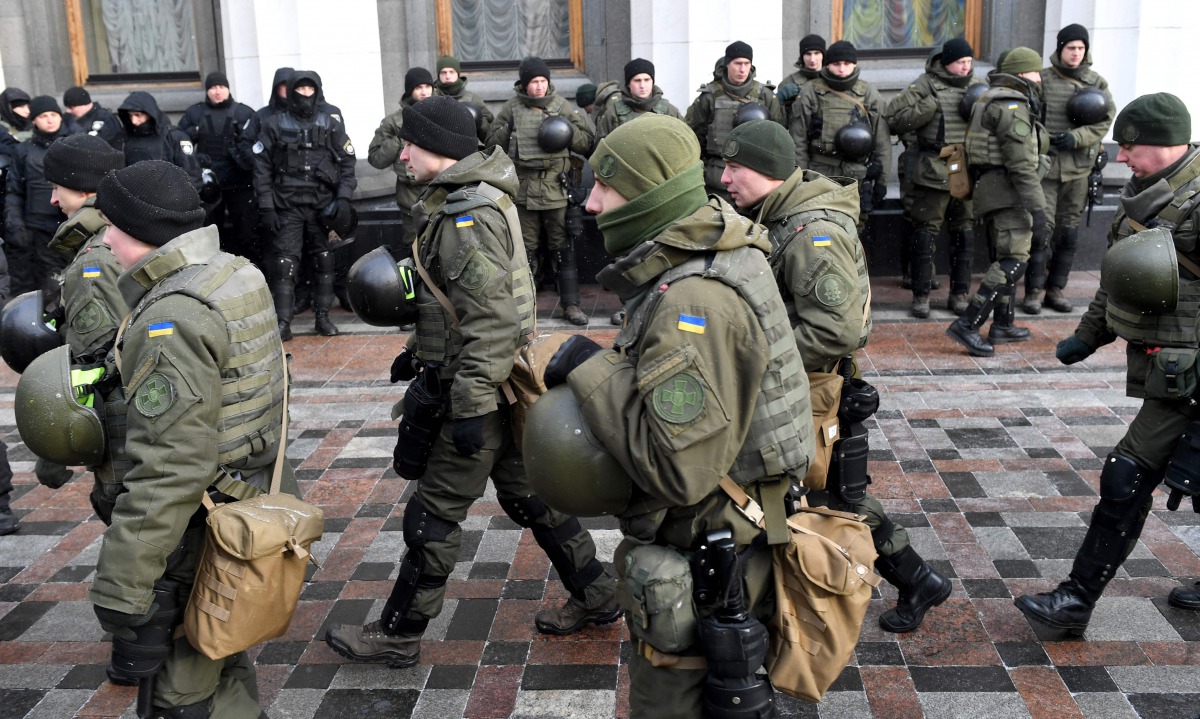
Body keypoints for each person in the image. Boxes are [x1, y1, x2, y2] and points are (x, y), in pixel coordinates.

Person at [325, 97, 619, 666]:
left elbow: (492, 322)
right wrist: (420, 350)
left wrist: (469, 409)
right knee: (532, 498)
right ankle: (598, 593)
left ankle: (399, 633)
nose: (402, 156)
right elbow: (456, 303)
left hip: (478, 391)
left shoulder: (468, 215)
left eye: (410, 145)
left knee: (433, 514)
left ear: (437, 147)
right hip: (493, 384)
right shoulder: (472, 198)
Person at [541, 113, 813, 718]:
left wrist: (591, 369)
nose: (591, 203)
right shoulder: (710, 254)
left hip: (714, 550)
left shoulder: (693, 298)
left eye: (605, 187)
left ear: (649, 195)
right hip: (732, 531)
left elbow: (679, 469)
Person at [721, 120, 952, 633]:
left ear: (768, 171)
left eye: (735, 168)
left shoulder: (811, 231)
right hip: (805, 386)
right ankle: (917, 580)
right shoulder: (778, 216)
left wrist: (756, 361)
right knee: (829, 495)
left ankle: (907, 581)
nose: (725, 178)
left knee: (825, 496)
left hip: (815, 388)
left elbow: (836, 329)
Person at [88, 159, 291, 716]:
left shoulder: (172, 316)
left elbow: (170, 465)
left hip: (198, 524)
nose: (105, 240)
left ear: (145, 230)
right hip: (247, 499)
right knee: (220, 653)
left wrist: (123, 584)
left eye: (113, 227)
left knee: (178, 695)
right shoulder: (232, 272)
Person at [1014, 93, 1200, 636]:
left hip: (1190, 375)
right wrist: (1088, 336)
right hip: (1171, 369)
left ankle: (1076, 598)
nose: (1121, 158)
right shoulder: (1142, 196)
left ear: (1165, 145)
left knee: (1127, 473)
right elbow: (1121, 278)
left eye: (1130, 147)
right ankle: (1075, 601)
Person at [36, 134, 128, 491]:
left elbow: (99, 361)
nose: (53, 199)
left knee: (118, 504)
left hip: (125, 427)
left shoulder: (95, 258)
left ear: (84, 189)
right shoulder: (123, 231)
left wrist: (53, 447)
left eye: (57, 187)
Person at [945, 47, 1048, 357]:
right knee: (1013, 259)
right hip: (1008, 192)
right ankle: (968, 323)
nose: (1039, 78)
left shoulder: (988, 98)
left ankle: (1003, 323)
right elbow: (1021, 164)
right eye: (1035, 71)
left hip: (991, 189)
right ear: (1021, 73)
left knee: (1005, 256)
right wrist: (1038, 208)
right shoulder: (1012, 105)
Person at [486, 56, 593, 326]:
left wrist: (566, 130)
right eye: (534, 81)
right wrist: (509, 129)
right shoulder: (512, 108)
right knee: (524, 251)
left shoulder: (561, 105)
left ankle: (571, 304)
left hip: (557, 189)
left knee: (563, 247)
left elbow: (586, 144)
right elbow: (491, 144)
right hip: (523, 190)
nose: (539, 87)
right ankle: (524, 308)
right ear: (525, 84)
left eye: (543, 81)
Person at [885, 38, 986, 317]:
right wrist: (925, 110)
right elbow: (893, 119)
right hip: (933, 167)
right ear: (946, 62)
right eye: (960, 62)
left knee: (964, 232)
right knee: (924, 232)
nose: (965, 67)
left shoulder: (978, 86)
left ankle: (959, 294)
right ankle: (921, 296)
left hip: (964, 166)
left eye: (969, 61)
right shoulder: (925, 85)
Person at [252, 70, 357, 340]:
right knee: (284, 264)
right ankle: (283, 322)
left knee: (325, 260)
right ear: (291, 91)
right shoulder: (273, 124)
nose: (306, 95)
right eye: (301, 90)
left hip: (323, 207)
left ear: (318, 91)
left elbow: (348, 163)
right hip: (287, 206)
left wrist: (343, 198)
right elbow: (261, 168)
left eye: (311, 90)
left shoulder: (330, 124)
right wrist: (267, 206)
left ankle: (323, 318)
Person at [1023, 24, 1115, 314]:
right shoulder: (1043, 80)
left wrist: (1077, 138)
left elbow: (1105, 120)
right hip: (1046, 169)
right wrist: (1044, 140)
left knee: (1068, 232)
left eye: (1081, 48)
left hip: (1079, 168)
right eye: (1071, 48)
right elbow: (1027, 115)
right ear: (1060, 48)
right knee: (1041, 230)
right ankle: (1033, 291)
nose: (1076, 53)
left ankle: (1056, 289)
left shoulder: (1096, 82)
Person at [790, 40, 891, 234]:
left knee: (855, 229)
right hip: (820, 171)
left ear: (855, 65)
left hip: (857, 173)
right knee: (820, 227)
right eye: (836, 64)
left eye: (847, 63)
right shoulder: (811, 91)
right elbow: (798, 139)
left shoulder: (868, 93)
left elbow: (882, 140)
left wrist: (882, 181)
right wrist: (801, 178)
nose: (842, 69)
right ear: (828, 65)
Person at [178, 72, 260, 265]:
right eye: (213, 87)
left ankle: (252, 270)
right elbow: (180, 142)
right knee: (210, 236)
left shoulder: (244, 113)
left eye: (221, 87)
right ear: (207, 90)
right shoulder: (195, 113)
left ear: (228, 89)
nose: (217, 91)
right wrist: (196, 157)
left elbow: (256, 146)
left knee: (247, 234)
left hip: (240, 184)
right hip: (208, 186)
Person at [685, 41, 784, 199]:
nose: (742, 69)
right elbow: (693, 138)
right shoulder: (709, 97)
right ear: (727, 64)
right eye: (737, 63)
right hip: (717, 178)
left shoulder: (765, 96)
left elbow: (778, 138)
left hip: (756, 175)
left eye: (747, 63)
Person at [5, 95, 71, 296]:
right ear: (34, 120)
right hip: (39, 228)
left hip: (71, 224)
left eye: (53, 114)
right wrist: (15, 223)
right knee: (48, 282)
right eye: (43, 116)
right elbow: (15, 190)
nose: (50, 120)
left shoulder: (76, 143)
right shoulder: (23, 150)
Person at [369, 67, 436, 250]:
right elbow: (376, 158)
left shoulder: (442, 113)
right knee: (414, 248)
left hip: (441, 191)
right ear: (409, 91)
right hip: (410, 199)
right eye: (418, 87)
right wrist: (400, 137)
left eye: (427, 86)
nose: (424, 92)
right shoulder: (394, 122)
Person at [115, 91, 203, 187]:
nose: (134, 121)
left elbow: (192, 176)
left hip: (169, 193)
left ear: (150, 113)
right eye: (130, 116)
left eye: (138, 115)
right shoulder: (126, 138)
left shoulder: (174, 137)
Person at [593, 58, 682, 142]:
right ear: (628, 84)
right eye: (637, 80)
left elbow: (685, 142)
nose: (642, 85)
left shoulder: (669, 111)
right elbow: (601, 148)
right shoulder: (613, 114)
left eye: (647, 80)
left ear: (652, 82)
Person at [432, 54, 493, 142]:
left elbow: (489, 135)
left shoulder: (472, 99)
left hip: (467, 146)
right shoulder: (432, 98)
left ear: (458, 74)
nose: (448, 76)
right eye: (443, 72)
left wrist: (476, 119)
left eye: (451, 72)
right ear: (438, 75)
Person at [776, 34, 825, 125]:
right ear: (802, 56)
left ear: (823, 55)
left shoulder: (832, 80)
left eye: (817, 53)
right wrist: (778, 100)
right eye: (808, 54)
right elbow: (779, 122)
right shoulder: (789, 82)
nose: (812, 59)